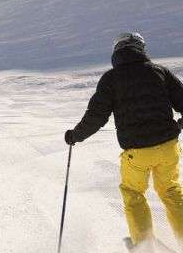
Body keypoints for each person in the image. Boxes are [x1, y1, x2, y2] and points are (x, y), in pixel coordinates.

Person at [65, 32, 183, 249]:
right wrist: (180, 124)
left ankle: (144, 245)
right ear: (141, 49)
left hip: (137, 152)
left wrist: (75, 135)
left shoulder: (111, 79)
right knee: (170, 191)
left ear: (117, 51)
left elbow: (96, 116)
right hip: (168, 146)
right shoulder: (160, 72)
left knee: (133, 193)